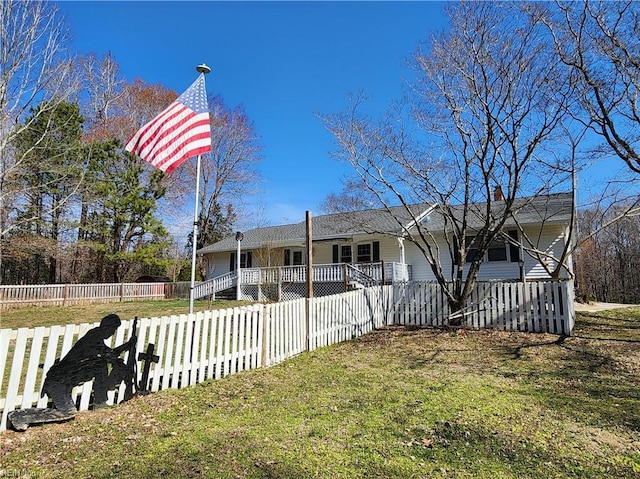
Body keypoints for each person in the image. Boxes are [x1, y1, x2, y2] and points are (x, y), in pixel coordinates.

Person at [8, 313, 135, 431]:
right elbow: (110, 355)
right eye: (113, 329)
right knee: (68, 412)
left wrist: (125, 347)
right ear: (106, 327)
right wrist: (126, 346)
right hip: (58, 381)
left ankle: (99, 402)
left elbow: (108, 355)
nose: (113, 333)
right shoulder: (93, 337)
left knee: (100, 366)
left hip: (64, 380)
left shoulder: (95, 337)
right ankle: (19, 416)